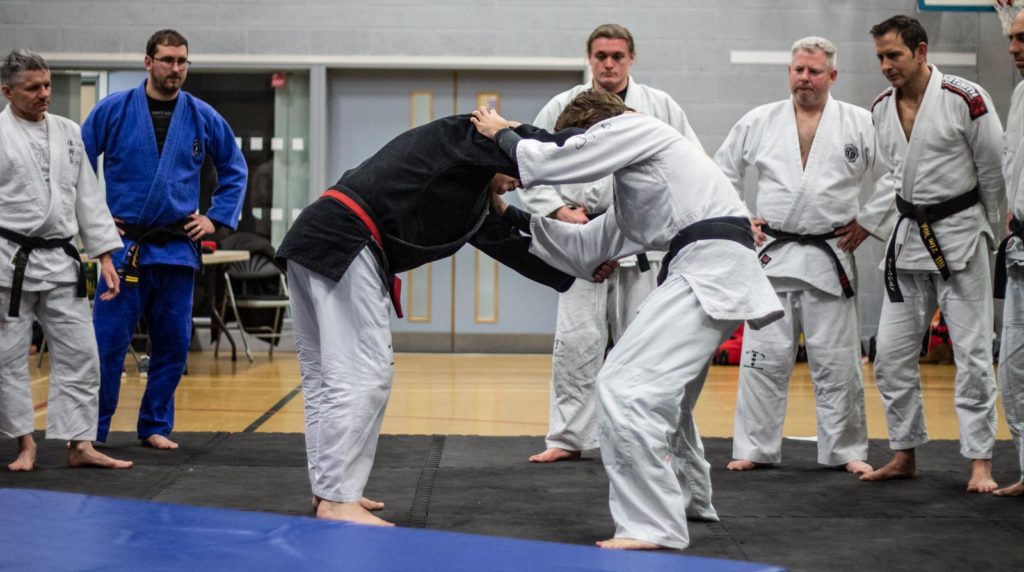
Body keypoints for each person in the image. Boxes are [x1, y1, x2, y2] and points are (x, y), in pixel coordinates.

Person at [472, 91, 784, 550]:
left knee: (623, 386)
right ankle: (691, 497)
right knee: (661, 392)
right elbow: (585, 247)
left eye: (585, 138)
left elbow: (553, 161)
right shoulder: (640, 185)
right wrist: (507, 215)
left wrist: (500, 131)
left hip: (709, 266)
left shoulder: (638, 127)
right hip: (706, 269)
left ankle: (651, 527)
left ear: (596, 129)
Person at [276, 114, 606, 526]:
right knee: (363, 373)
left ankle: (333, 490)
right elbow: (553, 148)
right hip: (344, 240)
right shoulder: (471, 134)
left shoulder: (468, 193)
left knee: (328, 377)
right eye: (520, 174)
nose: (521, 184)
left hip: (315, 239)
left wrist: (584, 266)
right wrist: (517, 131)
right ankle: (336, 499)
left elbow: (511, 236)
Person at [519, 23, 703, 464]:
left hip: (640, 244)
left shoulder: (660, 106)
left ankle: (638, 436)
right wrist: (559, 211)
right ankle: (567, 437)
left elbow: (690, 165)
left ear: (631, 59)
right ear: (589, 58)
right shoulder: (563, 106)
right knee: (576, 342)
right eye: (600, 56)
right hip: (581, 236)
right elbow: (532, 165)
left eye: (617, 56)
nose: (608, 64)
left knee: (640, 344)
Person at [713, 37, 894, 476]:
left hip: (830, 255)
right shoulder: (760, 120)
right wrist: (741, 220)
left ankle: (845, 449)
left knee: (837, 362)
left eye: (813, 71)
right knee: (763, 358)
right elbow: (720, 172)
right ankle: (754, 447)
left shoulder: (859, 122)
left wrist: (869, 220)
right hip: (773, 257)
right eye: (797, 70)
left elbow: (896, 172)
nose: (804, 79)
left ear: (832, 76)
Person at [82, 29, 247, 450]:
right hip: (124, 249)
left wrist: (215, 219)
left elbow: (234, 168)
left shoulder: (201, 115)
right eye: (168, 59)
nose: (176, 68)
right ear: (148, 62)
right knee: (107, 344)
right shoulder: (113, 110)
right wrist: (96, 221)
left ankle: (155, 424)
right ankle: (93, 431)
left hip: (176, 248)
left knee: (173, 342)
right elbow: (77, 167)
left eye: (182, 61)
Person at [862, 15, 1004, 492]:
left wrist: (988, 231)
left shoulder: (967, 99)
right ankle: (904, 453)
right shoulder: (882, 106)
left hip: (961, 241)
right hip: (907, 243)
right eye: (880, 56)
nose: (886, 65)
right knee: (890, 357)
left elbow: (992, 173)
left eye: (894, 55)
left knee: (974, 356)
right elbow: (892, 177)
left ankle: (980, 461)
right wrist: (869, 223)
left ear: (921, 52)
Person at [0, 49, 131, 471]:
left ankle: (80, 444)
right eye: (32, 88)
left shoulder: (69, 131)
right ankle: (25, 444)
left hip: (63, 261)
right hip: (8, 261)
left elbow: (88, 199)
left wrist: (107, 256)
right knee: (7, 357)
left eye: (47, 85)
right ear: (7, 91)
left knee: (82, 353)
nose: (44, 94)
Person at [995, 8, 1024, 498]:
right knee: (1013, 369)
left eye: (1023, 38)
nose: (1014, 47)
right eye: (1013, 38)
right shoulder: (1020, 94)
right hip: (1021, 247)